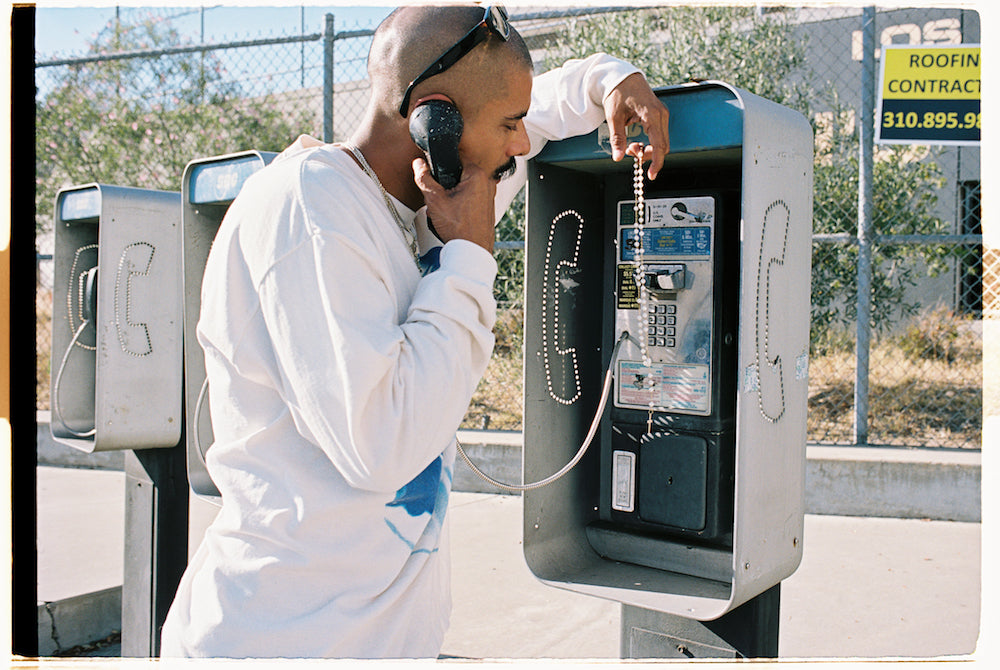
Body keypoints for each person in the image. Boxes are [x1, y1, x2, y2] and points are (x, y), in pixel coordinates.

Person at [160, 4, 669, 659]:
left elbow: (534, 113)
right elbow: (382, 445)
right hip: (279, 641)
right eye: (506, 127)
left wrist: (610, 79)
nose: (519, 147)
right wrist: (469, 260)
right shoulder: (312, 213)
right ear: (435, 121)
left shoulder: (432, 197)